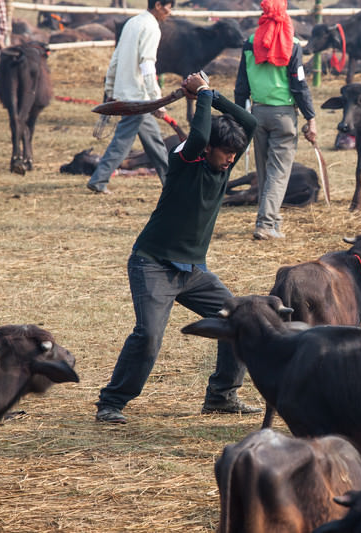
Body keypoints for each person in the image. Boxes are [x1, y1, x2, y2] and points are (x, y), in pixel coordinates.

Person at [95, 72, 260, 424]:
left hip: (192, 272)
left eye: (234, 153)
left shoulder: (222, 167)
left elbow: (249, 122)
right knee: (149, 336)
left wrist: (211, 94)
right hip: (152, 264)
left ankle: (222, 396)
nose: (231, 159)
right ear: (209, 150)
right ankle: (112, 402)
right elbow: (199, 134)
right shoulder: (186, 160)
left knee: (239, 320)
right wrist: (200, 96)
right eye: (225, 153)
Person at [234, 0, 317, 241]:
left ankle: (272, 218)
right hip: (283, 116)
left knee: (264, 171)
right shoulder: (292, 43)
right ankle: (265, 224)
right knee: (279, 173)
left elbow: (241, 86)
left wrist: (240, 116)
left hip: (256, 114)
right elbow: (299, 86)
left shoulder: (250, 42)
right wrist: (310, 117)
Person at [87, 0, 174, 195]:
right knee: (123, 140)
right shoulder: (151, 28)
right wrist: (157, 99)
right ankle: (99, 179)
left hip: (128, 93)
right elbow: (147, 65)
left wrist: (110, 88)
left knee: (154, 142)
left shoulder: (132, 23)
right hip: (139, 97)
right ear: (158, 5)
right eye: (169, 6)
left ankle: (170, 182)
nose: (170, 12)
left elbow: (115, 58)